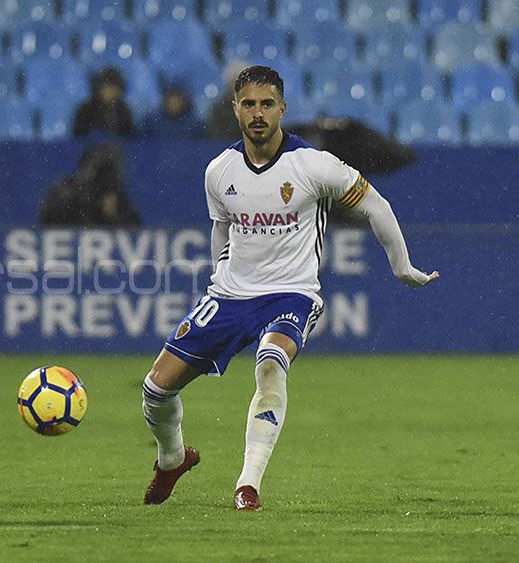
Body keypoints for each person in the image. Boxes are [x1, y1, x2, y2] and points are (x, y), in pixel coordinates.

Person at [140, 66, 439, 511]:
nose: (257, 113)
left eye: (266, 104)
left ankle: (248, 485)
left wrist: (402, 266)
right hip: (230, 295)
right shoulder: (219, 170)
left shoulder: (313, 165)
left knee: (270, 363)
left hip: (291, 293)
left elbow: (376, 204)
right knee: (155, 390)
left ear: (282, 108)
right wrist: (220, 276)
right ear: (235, 109)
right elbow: (222, 228)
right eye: (248, 104)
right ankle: (173, 459)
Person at [40, 143, 141, 226]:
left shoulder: (119, 201)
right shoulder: (67, 193)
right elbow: (48, 224)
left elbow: (135, 232)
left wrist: (113, 216)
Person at [72, 66, 134, 139]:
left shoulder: (123, 111)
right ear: (99, 88)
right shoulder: (86, 111)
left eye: (115, 88)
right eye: (109, 87)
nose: (112, 92)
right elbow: (79, 138)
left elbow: (129, 137)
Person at [138, 84, 204, 140]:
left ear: (184, 100)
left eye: (178, 98)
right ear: (165, 99)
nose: (174, 102)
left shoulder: (195, 125)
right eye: (171, 97)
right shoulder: (151, 123)